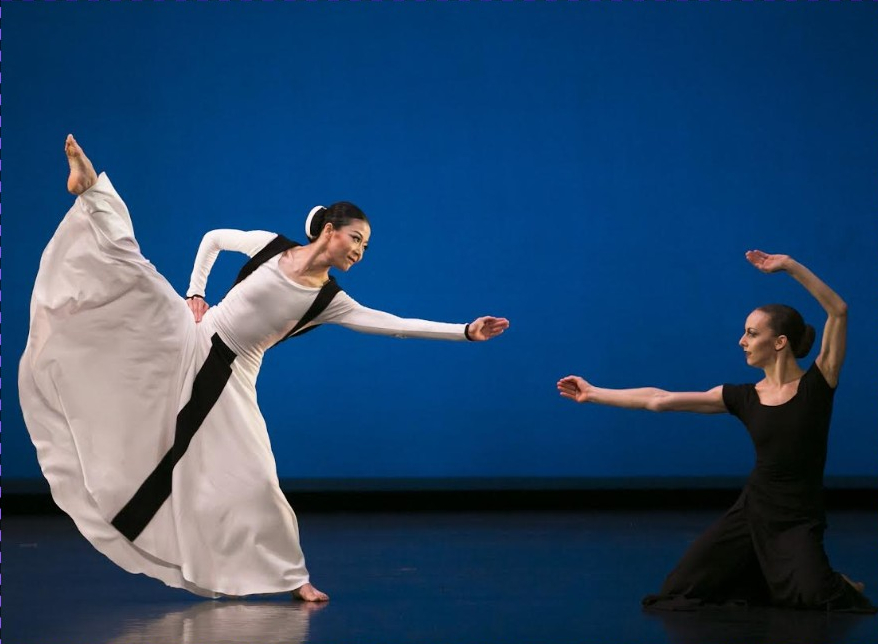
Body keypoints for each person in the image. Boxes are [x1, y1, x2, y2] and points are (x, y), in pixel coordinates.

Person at [19, 135, 509, 601]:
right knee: (133, 275)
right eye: (356, 238)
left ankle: (292, 577)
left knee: (258, 478)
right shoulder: (272, 246)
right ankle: (92, 191)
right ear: (330, 230)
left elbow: (394, 325)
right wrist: (195, 291)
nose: (360, 251)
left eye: (366, 246)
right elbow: (213, 239)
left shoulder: (329, 300)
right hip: (194, 336)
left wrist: (464, 330)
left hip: (232, 377)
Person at [557, 251, 875, 613]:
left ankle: (833, 579)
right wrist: (594, 393)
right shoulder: (743, 397)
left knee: (816, 597)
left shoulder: (818, 383)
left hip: (798, 517)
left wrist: (788, 266)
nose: (742, 341)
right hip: (753, 510)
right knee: (680, 589)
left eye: (752, 333)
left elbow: (838, 310)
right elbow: (660, 400)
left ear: (780, 342)